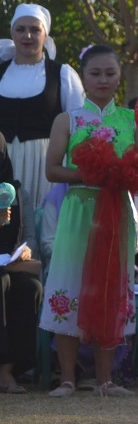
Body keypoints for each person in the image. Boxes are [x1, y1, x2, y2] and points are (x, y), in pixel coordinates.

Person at [39, 45, 138, 398]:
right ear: (83, 77)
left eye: (110, 73)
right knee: (69, 286)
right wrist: (87, 172)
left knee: (110, 289)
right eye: (95, 73)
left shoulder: (133, 121)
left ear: (119, 76)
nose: (103, 80)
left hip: (116, 212)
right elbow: (52, 169)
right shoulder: (67, 120)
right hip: (78, 210)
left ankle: (106, 380)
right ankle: (68, 379)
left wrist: (123, 175)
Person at [0, 4, 86, 238]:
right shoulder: (1, 72)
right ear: (12, 33)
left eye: (35, 30)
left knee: (42, 228)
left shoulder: (62, 74)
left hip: (45, 164)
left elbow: (79, 125)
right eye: (21, 29)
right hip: (2, 163)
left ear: (45, 35)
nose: (27, 35)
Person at [0, 163, 42, 393]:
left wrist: (25, 251)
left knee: (30, 288)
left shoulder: (18, 194)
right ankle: (3, 371)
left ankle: (14, 368)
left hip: (10, 263)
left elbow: (30, 237)